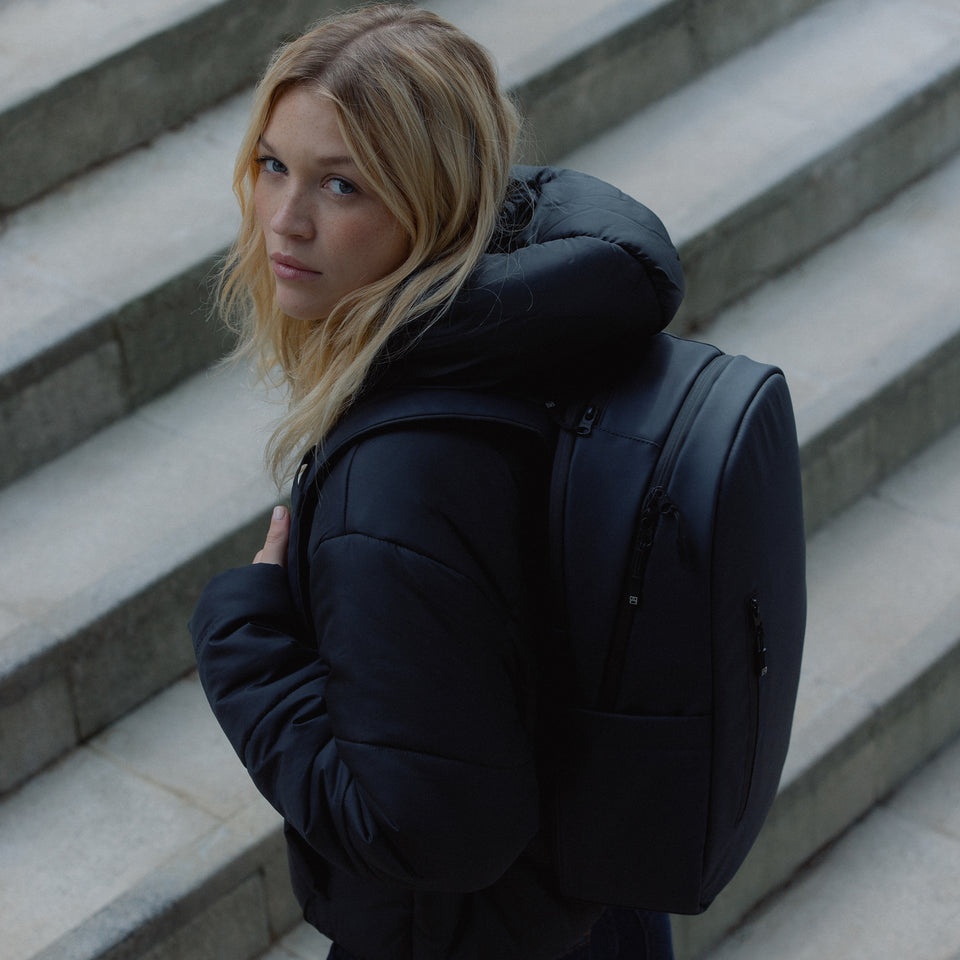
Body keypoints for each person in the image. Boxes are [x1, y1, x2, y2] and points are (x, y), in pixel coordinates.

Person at [189, 5, 684, 959]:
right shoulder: (543, 328)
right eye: (273, 165)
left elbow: (433, 831)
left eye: (342, 184)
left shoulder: (399, 484)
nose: (286, 220)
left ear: (436, 198)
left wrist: (242, 639)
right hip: (589, 903)